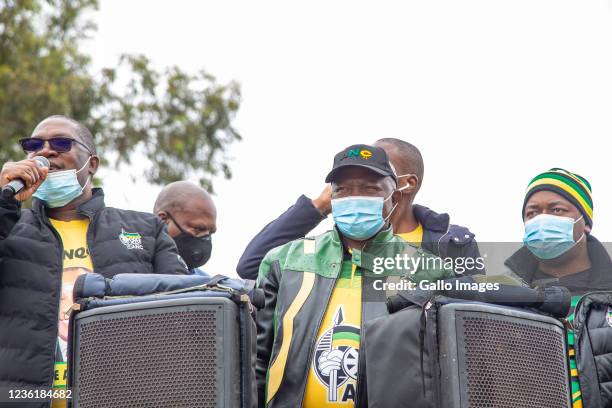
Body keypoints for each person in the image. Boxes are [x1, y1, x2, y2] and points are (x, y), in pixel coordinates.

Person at [0, 115, 188, 405]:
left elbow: (185, 313)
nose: (46, 151)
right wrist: (3, 203)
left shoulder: (146, 230)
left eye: (61, 143)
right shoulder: (10, 230)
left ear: (93, 164)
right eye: (34, 144)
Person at [256, 144, 454, 408]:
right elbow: (256, 359)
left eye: (370, 189)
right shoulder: (285, 261)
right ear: (332, 199)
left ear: (394, 198)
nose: (355, 197)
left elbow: (444, 369)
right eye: (343, 190)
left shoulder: (430, 271)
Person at [237, 137, 480, 280]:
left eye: (372, 177)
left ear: (405, 184)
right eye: (348, 181)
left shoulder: (451, 244)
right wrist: (320, 205)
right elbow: (251, 266)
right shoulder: (337, 243)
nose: (358, 184)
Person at [503, 168, 612, 408]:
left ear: (585, 223)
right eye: (532, 213)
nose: (542, 219)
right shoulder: (503, 296)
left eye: (556, 210)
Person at [154, 181, 217, 275]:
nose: (206, 238)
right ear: (163, 220)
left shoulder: (204, 282)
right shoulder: (134, 272)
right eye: (198, 229)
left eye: (211, 232)